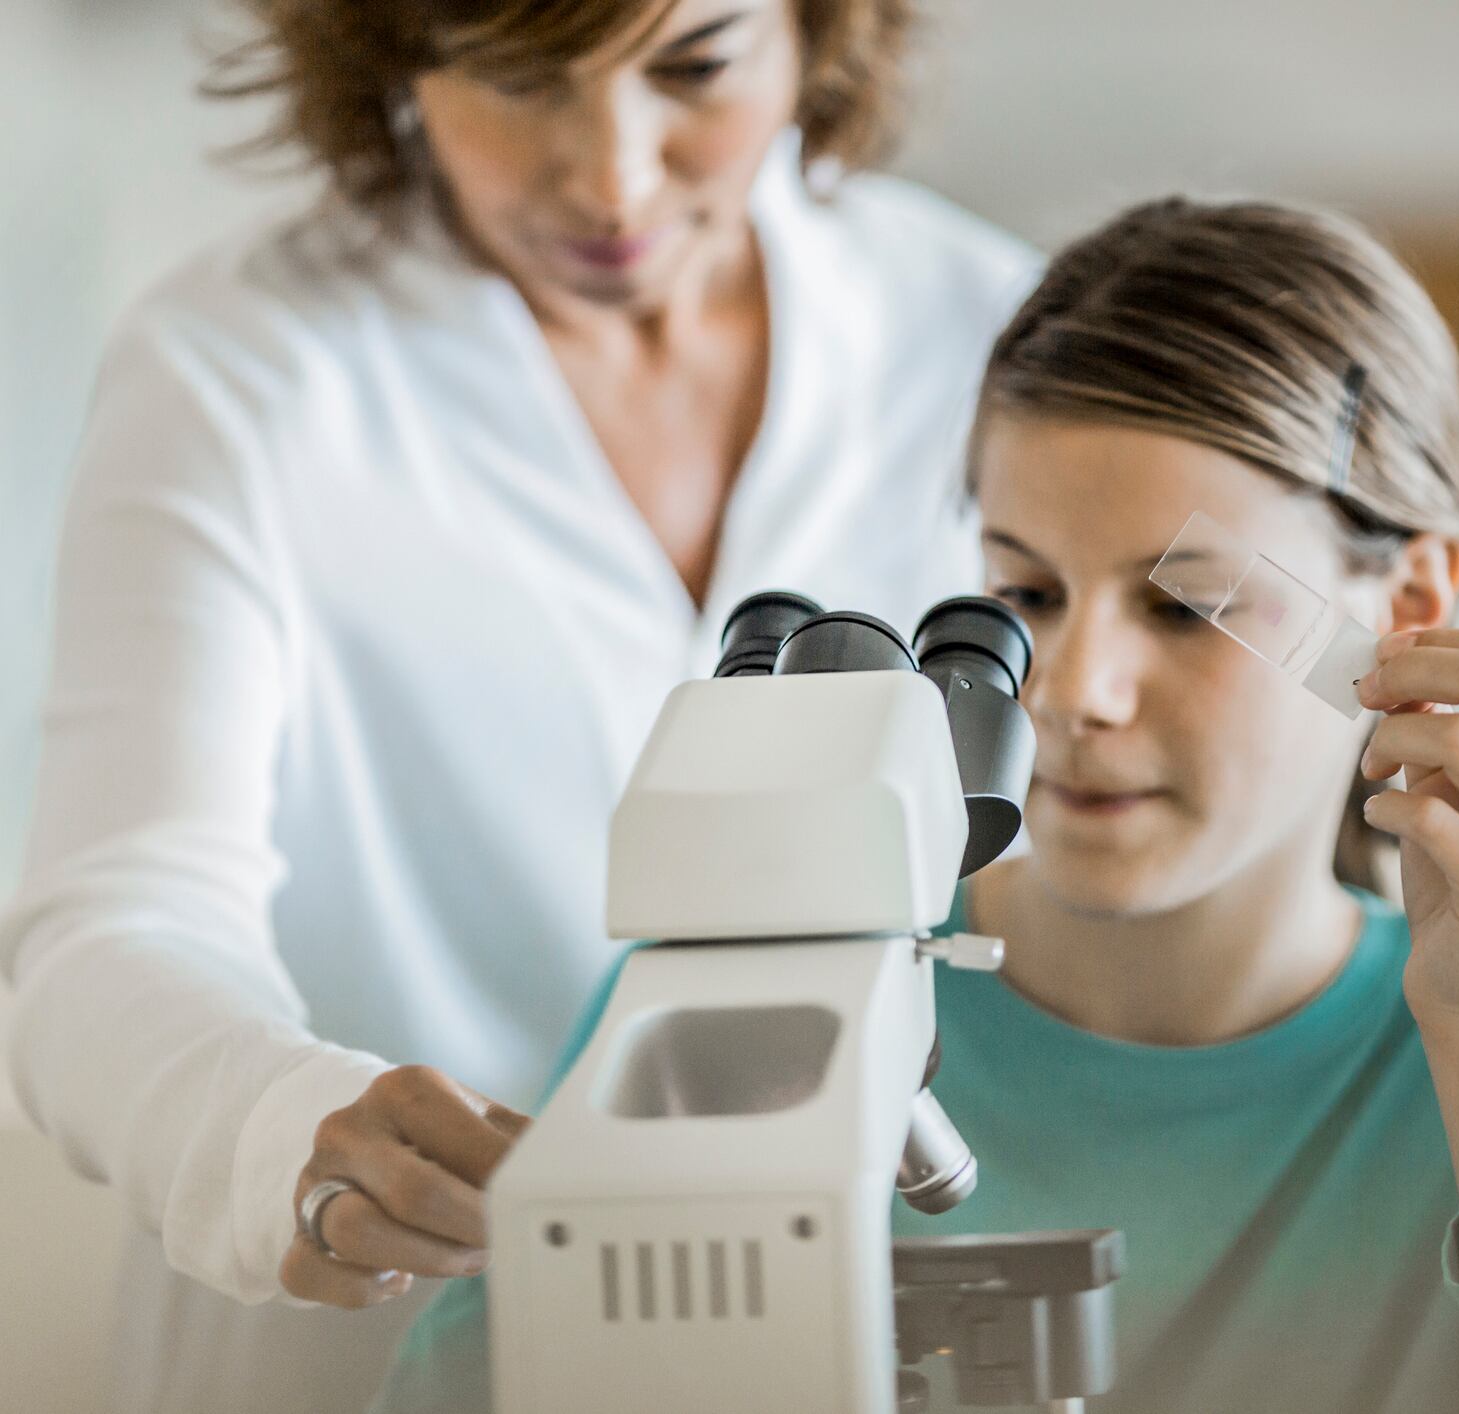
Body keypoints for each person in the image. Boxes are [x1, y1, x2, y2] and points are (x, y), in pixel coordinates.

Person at [372, 196, 1459, 1413]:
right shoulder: (746, 1000)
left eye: (1190, 603)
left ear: (1412, 603)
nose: (1075, 690)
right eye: (1021, 598)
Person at [0, 0, 1036, 1409]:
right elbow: (111, 924)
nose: (609, 177)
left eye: (695, 65)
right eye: (519, 76)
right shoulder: (238, 373)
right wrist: (278, 1124)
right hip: (357, 1357)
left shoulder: (988, 334)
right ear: (390, 48)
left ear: (817, 29)